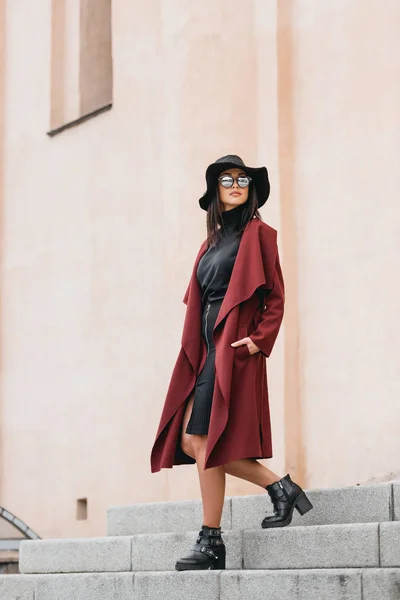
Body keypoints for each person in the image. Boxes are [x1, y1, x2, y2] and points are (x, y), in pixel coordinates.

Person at [150, 155, 313, 571]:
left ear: (249, 188)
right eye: (227, 179)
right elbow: (199, 299)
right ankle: (280, 487)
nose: (236, 184)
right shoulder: (210, 243)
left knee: (203, 439)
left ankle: (211, 541)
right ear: (216, 191)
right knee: (192, 441)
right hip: (204, 350)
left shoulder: (259, 234)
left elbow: (275, 294)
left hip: (233, 349)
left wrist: (259, 342)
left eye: (242, 179)